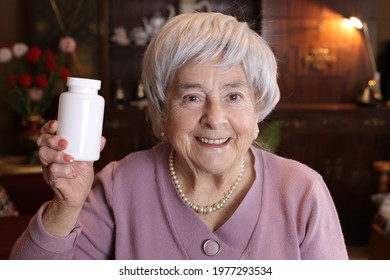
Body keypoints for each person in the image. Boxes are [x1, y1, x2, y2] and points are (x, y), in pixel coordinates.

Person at [10, 12, 348, 260]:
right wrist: (65, 206)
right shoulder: (119, 184)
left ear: (257, 108)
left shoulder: (302, 190)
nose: (215, 118)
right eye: (192, 97)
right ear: (162, 112)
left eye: (233, 96)